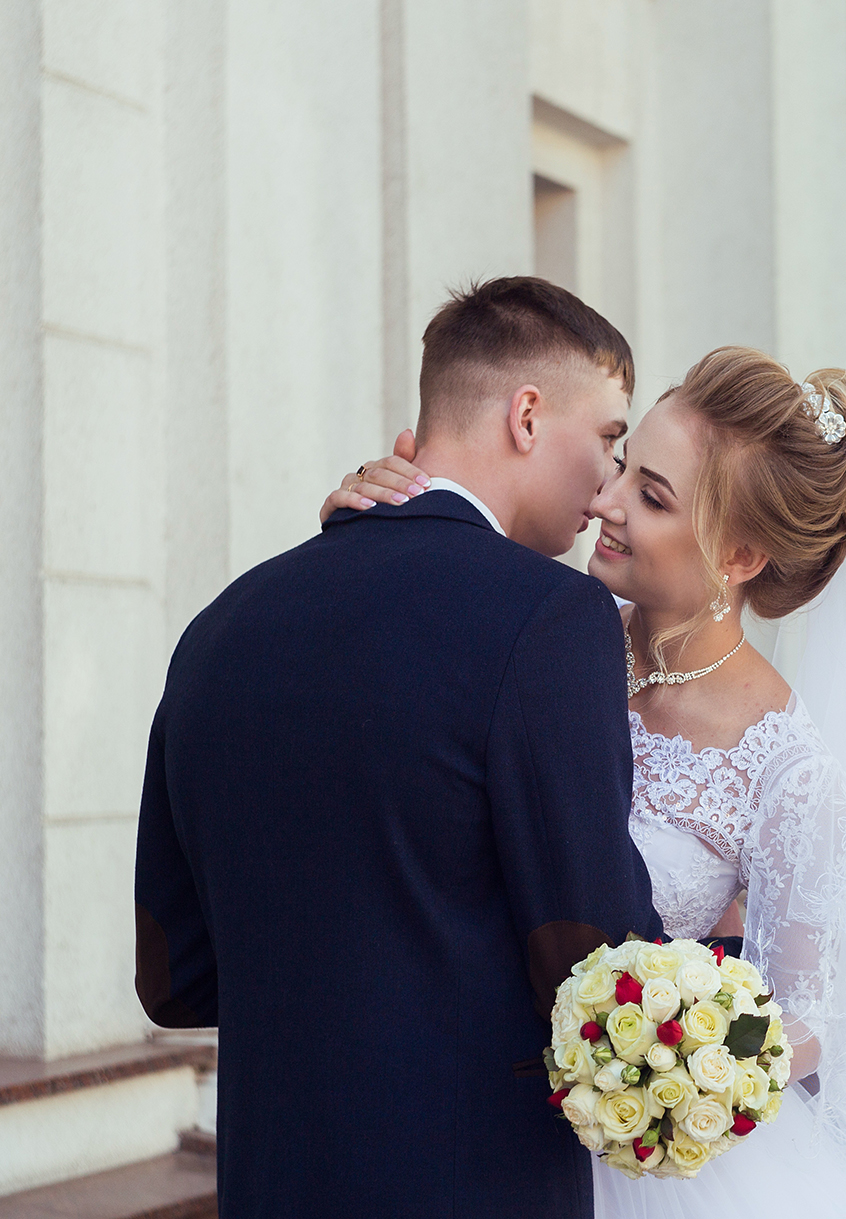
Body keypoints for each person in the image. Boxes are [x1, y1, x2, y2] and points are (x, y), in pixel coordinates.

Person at [327, 341, 846, 1219]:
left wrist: (683, 1063)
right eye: (622, 467)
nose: (603, 503)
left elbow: (818, 1014)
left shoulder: (787, 770)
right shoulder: (537, 639)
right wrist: (366, 526)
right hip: (441, 1109)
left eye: (651, 496)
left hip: (639, 1158)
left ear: (741, 556)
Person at [134, 277, 664, 1219]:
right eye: (612, 439)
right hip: (473, 1179)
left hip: (267, 1176)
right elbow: (595, 956)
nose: (610, 485)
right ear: (528, 415)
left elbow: (172, 978)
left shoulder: (222, 624)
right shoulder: (550, 617)